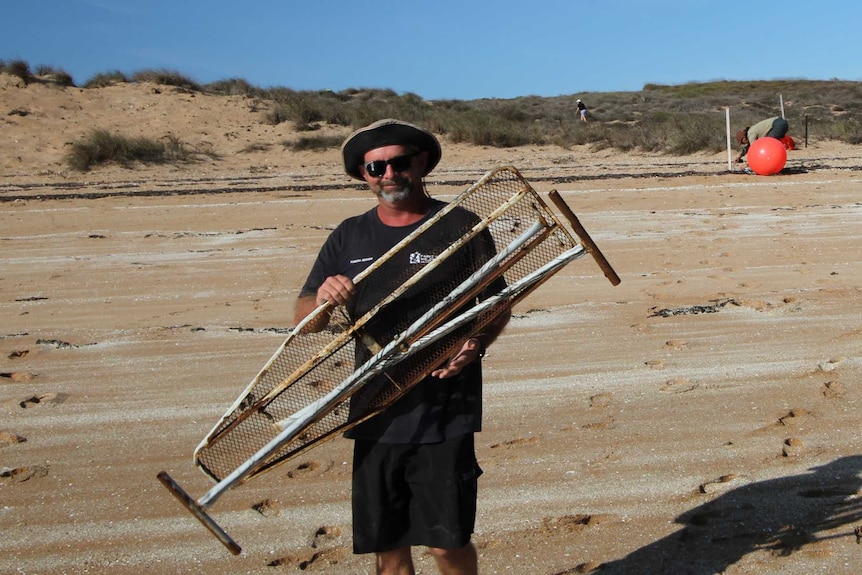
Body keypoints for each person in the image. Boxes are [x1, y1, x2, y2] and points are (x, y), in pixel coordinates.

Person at [293, 118, 511, 575]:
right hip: (375, 410)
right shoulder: (349, 235)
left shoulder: (462, 226)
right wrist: (324, 299)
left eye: (399, 163)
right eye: (375, 167)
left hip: (444, 411)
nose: (388, 174)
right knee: (388, 550)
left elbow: (497, 306)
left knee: (447, 544)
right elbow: (306, 322)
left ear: (422, 163)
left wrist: (475, 342)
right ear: (364, 175)